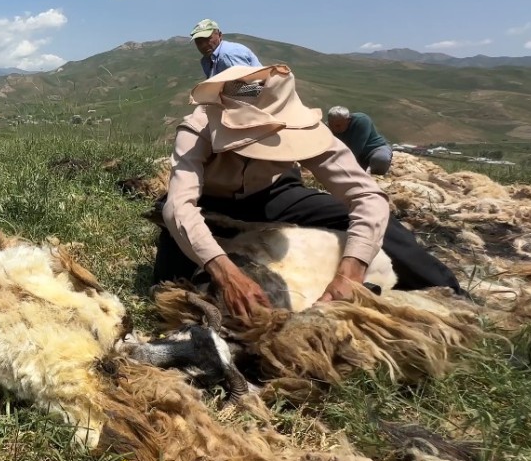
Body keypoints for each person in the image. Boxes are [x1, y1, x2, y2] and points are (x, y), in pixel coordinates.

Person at [151, 63, 464, 319]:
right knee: (170, 284)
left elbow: (366, 196)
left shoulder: (303, 126)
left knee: (388, 232)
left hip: (276, 193)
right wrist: (226, 273)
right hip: (209, 200)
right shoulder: (198, 127)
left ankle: (454, 298)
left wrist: (352, 269)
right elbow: (180, 207)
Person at [327, 106, 393, 176]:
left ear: (348, 120)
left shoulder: (362, 121)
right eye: (331, 125)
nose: (334, 129)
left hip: (372, 149)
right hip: (352, 154)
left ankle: (376, 174)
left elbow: (356, 148)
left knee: (381, 159)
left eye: (338, 126)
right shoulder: (327, 127)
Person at [190, 18, 262, 78]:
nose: (204, 45)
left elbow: (246, 84)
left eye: (207, 39)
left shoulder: (228, 54)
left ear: (220, 35)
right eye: (199, 42)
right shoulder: (206, 60)